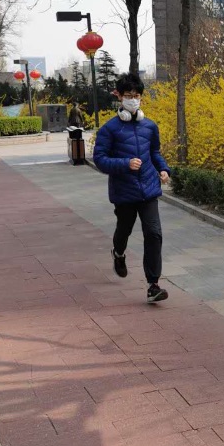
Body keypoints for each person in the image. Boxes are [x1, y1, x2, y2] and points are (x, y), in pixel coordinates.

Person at [93, 73, 171, 304]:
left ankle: (153, 285)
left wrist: (163, 169)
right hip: (124, 191)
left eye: (136, 96)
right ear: (119, 96)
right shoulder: (110, 129)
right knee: (124, 230)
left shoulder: (150, 126)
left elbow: (154, 152)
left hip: (149, 189)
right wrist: (125, 164)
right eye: (128, 95)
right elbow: (100, 159)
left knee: (154, 234)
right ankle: (118, 253)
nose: (133, 100)